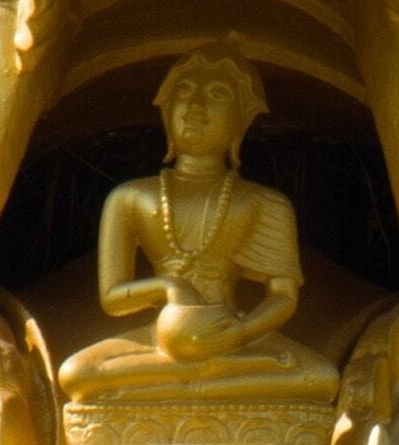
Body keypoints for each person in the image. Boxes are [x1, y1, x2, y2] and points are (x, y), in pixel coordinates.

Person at [58, 44, 338, 403]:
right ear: (166, 111)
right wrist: (169, 287)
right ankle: (213, 384)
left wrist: (241, 333)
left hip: (234, 333)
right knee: (77, 375)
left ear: (242, 120)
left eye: (217, 95)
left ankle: (194, 383)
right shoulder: (129, 198)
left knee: (321, 379)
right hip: (160, 338)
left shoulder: (262, 202)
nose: (195, 107)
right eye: (185, 93)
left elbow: (283, 296)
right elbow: (113, 299)